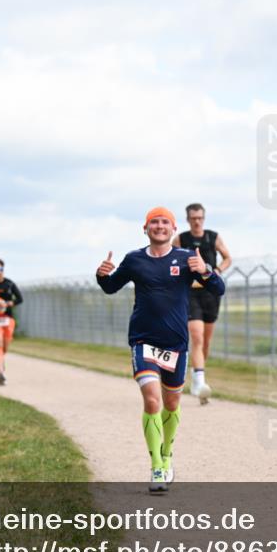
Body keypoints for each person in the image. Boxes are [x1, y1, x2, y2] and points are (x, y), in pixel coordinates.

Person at [96, 207, 225, 493]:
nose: (159, 226)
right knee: (152, 401)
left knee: (171, 404)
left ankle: (167, 454)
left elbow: (218, 288)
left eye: (165, 222)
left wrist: (205, 271)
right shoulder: (134, 259)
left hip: (176, 344)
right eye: (154, 222)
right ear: (146, 228)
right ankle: (155, 464)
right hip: (143, 341)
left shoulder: (185, 258)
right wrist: (102, 275)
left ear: (173, 228)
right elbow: (109, 286)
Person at [173, 203, 232, 403]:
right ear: (188, 219)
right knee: (196, 338)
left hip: (211, 294)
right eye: (193, 218)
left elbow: (227, 258)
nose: (197, 221)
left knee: (205, 341)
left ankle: (198, 376)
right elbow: (169, 260)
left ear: (203, 218)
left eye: (200, 218)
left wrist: (218, 271)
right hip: (190, 292)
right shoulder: (181, 239)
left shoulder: (212, 237)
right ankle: (200, 383)